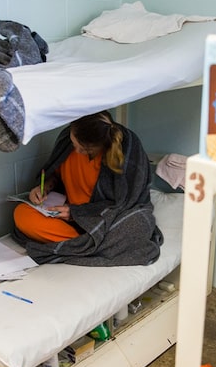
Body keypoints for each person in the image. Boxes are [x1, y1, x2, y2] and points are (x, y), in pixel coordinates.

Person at [11, 110, 163, 266]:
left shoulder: (127, 148)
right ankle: (87, 243)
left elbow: (125, 203)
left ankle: (85, 243)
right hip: (68, 216)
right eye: (74, 143)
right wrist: (45, 188)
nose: (77, 151)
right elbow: (56, 175)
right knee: (22, 214)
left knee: (138, 224)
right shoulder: (67, 139)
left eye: (84, 150)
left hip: (104, 219)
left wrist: (77, 213)